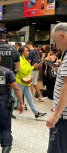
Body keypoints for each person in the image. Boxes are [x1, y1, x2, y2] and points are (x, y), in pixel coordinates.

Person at [46, 23, 67, 153]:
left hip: (64, 117)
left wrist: (56, 115)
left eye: (56, 41)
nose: (56, 46)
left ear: (62, 35)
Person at [14, 45, 47, 118]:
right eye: (26, 51)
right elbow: (22, 70)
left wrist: (33, 67)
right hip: (21, 82)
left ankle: (36, 113)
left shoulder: (24, 59)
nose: (28, 52)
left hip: (25, 82)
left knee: (30, 99)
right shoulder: (20, 59)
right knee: (14, 97)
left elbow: (26, 68)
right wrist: (33, 67)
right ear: (22, 52)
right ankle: (7, 111)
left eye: (28, 50)